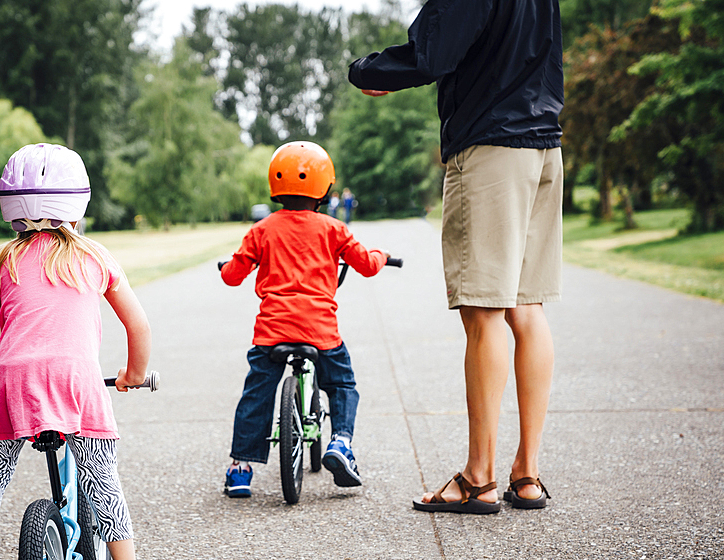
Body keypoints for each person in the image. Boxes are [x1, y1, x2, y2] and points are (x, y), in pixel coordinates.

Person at [348, 0, 562, 513]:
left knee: (484, 312)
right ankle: (526, 474)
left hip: (492, 149)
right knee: (527, 309)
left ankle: (478, 478)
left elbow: (434, 50)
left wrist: (367, 70)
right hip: (544, 145)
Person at [0, 143, 162, 560]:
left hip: (11, 380)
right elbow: (138, 326)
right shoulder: (92, 255)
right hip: (76, 382)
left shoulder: (1, 260)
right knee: (102, 481)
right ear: (77, 201)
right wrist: (131, 374)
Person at [220, 141, 389, 497]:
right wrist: (382, 256)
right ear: (325, 187)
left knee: (256, 394)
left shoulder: (261, 230)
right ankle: (340, 442)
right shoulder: (333, 229)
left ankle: (241, 468)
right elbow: (367, 266)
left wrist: (228, 265)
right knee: (342, 384)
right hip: (320, 332)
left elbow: (233, 276)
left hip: (272, 333)